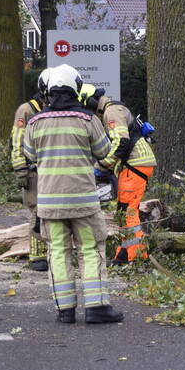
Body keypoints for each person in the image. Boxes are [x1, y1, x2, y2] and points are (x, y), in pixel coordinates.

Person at [22, 64, 123, 324]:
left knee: (57, 252)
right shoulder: (87, 120)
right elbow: (104, 152)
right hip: (83, 203)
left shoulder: (34, 123)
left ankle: (65, 310)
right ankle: (97, 307)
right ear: (76, 89)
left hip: (49, 204)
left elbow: (29, 156)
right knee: (90, 250)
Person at [79, 85, 156, 265]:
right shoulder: (113, 109)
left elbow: (121, 142)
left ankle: (137, 257)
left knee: (129, 213)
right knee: (123, 212)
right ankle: (123, 254)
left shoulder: (111, 112)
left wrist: (102, 165)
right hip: (133, 165)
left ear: (91, 102)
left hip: (135, 165)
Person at [11, 68, 52, 272]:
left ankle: (53, 251)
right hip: (33, 170)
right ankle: (37, 255)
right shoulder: (26, 110)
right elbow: (17, 142)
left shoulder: (54, 109)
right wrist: (21, 170)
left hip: (51, 169)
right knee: (37, 211)